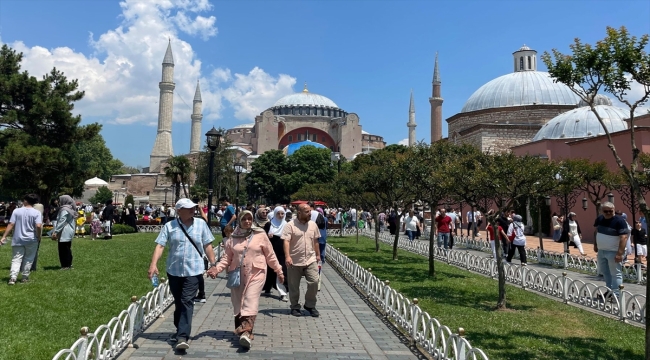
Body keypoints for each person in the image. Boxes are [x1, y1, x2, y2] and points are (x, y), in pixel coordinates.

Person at [207, 210, 284, 349]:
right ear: (240, 221)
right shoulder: (233, 237)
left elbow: (270, 255)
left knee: (250, 298)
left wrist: (278, 270)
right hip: (237, 273)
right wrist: (216, 269)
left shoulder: (260, 234)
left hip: (257, 272)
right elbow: (227, 258)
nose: (247, 221)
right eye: (244, 219)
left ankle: (246, 332)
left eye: (250, 219)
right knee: (238, 302)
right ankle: (242, 329)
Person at [148, 198, 217, 351]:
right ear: (179, 210)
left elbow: (208, 245)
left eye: (193, 207)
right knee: (179, 302)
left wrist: (213, 265)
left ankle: (182, 336)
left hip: (194, 270)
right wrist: (153, 264)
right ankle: (179, 329)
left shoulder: (201, 224)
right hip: (174, 270)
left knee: (187, 301)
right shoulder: (169, 226)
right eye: (188, 208)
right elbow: (160, 246)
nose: (192, 210)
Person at [282, 203, 321, 317]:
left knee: (314, 282)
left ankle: (310, 305)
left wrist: (318, 255)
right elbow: (286, 241)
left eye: (310, 211)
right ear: (299, 212)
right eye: (307, 211)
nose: (310, 213)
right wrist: (287, 256)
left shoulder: (313, 225)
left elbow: (315, 241)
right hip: (295, 260)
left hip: (310, 259)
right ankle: (295, 306)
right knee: (294, 286)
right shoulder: (290, 225)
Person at [1, 194, 42, 285]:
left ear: (26, 201)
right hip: (31, 239)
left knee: (16, 258)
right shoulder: (37, 213)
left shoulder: (17, 211)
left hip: (18, 238)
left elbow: (11, 224)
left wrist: (4, 236)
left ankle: (13, 278)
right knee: (29, 258)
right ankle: (24, 277)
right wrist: (38, 236)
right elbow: (38, 226)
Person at [594, 202, 628, 298]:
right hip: (601, 251)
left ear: (614, 209)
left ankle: (616, 294)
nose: (608, 213)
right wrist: (595, 244)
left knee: (615, 274)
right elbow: (596, 231)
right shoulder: (600, 219)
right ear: (601, 211)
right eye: (606, 211)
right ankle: (609, 292)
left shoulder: (619, 221)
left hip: (613, 252)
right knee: (605, 273)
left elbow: (624, 237)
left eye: (611, 211)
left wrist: (619, 253)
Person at [263, 207, 289, 301]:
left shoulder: (286, 225)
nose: (280, 216)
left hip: (282, 251)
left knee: (282, 270)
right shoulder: (269, 224)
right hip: (270, 251)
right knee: (269, 269)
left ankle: (283, 292)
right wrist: (268, 236)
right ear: (275, 214)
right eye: (278, 214)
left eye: (282, 214)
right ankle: (267, 286)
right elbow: (262, 236)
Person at [52, 195, 77, 270]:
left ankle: (65, 265)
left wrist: (56, 231)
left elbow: (62, 221)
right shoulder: (70, 209)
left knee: (63, 249)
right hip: (69, 230)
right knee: (67, 248)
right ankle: (69, 264)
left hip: (64, 231)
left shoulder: (64, 209)